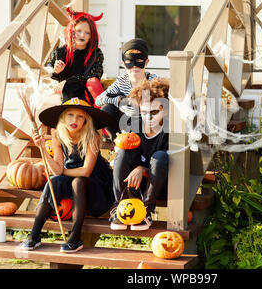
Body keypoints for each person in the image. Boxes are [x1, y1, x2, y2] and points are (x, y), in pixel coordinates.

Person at [20, 78, 115, 253]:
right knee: (53, 182)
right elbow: (56, 170)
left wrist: (62, 171)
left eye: (80, 116)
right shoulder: (57, 134)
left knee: (77, 181)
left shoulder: (92, 136)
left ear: (86, 120)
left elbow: (86, 171)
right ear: (63, 117)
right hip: (71, 178)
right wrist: (42, 148)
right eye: (70, 115)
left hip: (96, 187)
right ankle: (34, 235)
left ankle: (76, 237)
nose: (75, 119)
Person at [109, 78, 169, 231]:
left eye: (154, 112)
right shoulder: (135, 126)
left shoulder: (170, 132)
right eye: (144, 112)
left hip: (160, 185)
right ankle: (119, 208)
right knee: (123, 150)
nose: (148, 118)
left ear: (166, 110)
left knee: (160, 156)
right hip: (134, 184)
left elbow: (168, 167)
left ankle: (146, 212)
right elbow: (126, 156)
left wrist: (142, 169)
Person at [95, 38, 157, 141]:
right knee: (107, 109)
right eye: (129, 61)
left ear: (146, 62)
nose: (134, 66)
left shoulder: (153, 81)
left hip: (145, 123)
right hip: (124, 122)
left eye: (139, 61)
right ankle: (117, 142)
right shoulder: (122, 82)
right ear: (123, 63)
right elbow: (99, 99)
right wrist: (120, 100)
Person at [47, 7, 105, 102]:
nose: (82, 35)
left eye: (87, 33)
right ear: (71, 31)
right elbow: (48, 72)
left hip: (86, 94)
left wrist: (68, 82)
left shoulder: (96, 54)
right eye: (79, 31)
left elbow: (94, 76)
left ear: (91, 36)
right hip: (65, 94)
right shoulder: (60, 52)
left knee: (92, 81)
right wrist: (56, 71)